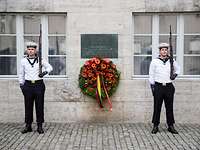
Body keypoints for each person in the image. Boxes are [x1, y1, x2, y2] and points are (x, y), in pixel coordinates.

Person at [19, 41, 53, 134]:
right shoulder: (23, 61)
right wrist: (21, 85)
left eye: (32, 49)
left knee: (39, 106)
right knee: (28, 106)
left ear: (35, 50)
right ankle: (28, 125)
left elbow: (50, 67)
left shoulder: (40, 59)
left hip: (39, 85)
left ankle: (39, 126)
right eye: (29, 49)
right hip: (28, 85)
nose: (30, 51)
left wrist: (44, 73)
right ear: (27, 50)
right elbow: (21, 73)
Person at [149, 43, 180, 134]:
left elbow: (178, 69)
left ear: (167, 51)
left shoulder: (171, 61)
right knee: (157, 107)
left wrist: (174, 75)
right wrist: (152, 86)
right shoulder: (155, 61)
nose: (164, 51)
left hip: (169, 87)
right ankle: (155, 126)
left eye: (166, 50)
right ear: (160, 51)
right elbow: (151, 74)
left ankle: (170, 126)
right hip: (158, 86)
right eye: (162, 50)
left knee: (169, 107)